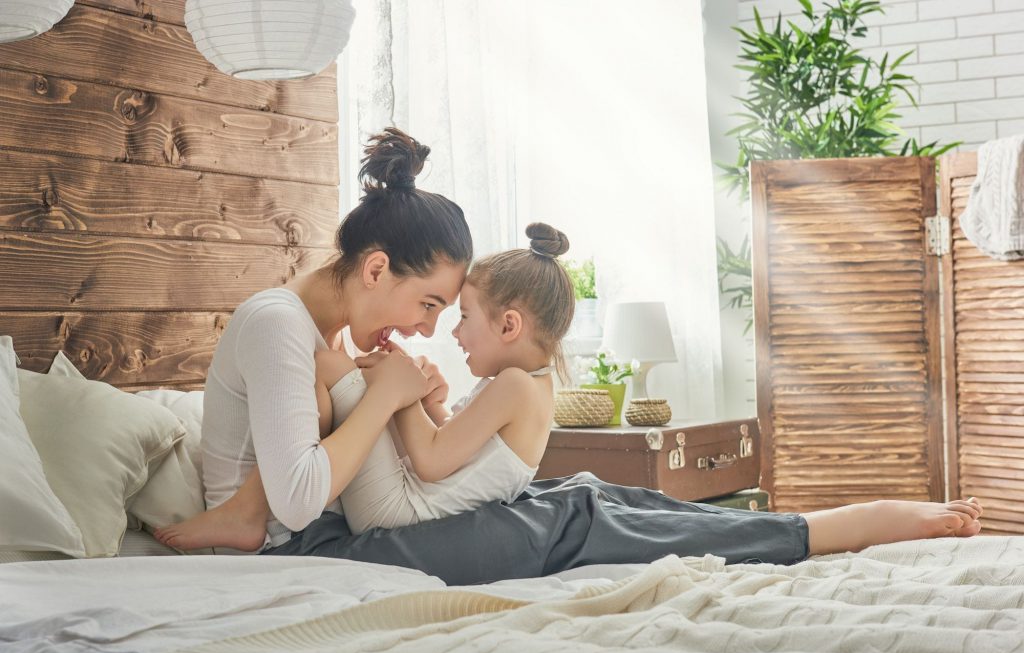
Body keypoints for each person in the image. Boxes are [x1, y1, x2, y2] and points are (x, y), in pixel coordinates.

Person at [157, 126, 983, 584]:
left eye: (449, 312)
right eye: (429, 304)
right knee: (579, 513)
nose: (425, 327)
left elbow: (352, 457)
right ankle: (816, 531)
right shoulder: (281, 326)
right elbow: (302, 497)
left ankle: (814, 527)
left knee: (585, 499)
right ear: (376, 268)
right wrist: (387, 392)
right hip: (315, 539)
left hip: (341, 524)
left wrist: (393, 390)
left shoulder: (319, 335)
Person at [160, 222, 576, 544]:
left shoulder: (516, 387)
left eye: (462, 317)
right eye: (430, 306)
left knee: (329, 366)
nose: (448, 333)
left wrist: (402, 395)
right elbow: (461, 457)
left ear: (509, 325)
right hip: (407, 503)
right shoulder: (529, 388)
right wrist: (428, 404)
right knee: (341, 371)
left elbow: (431, 463)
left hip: (397, 510)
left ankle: (248, 509)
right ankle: (248, 508)